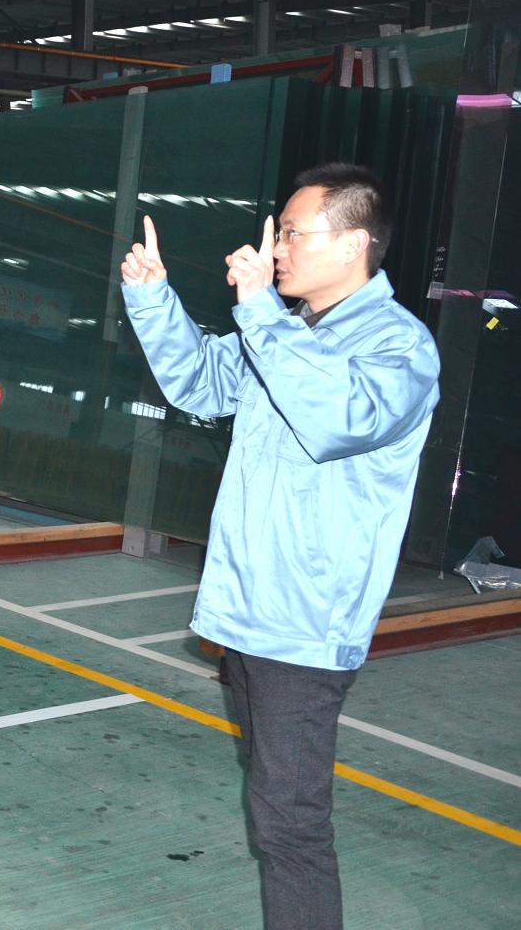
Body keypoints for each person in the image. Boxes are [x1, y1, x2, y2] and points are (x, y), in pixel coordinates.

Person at [120, 163, 439, 930]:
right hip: (247, 611)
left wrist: (261, 312)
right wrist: (154, 298)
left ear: (354, 243)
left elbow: (337, 418)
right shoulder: (290, 329)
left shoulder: (399, 345)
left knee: (290, 829)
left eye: (293, 232)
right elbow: (202, 384)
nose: (277, 248)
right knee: (276, 812)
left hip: (304, 622)